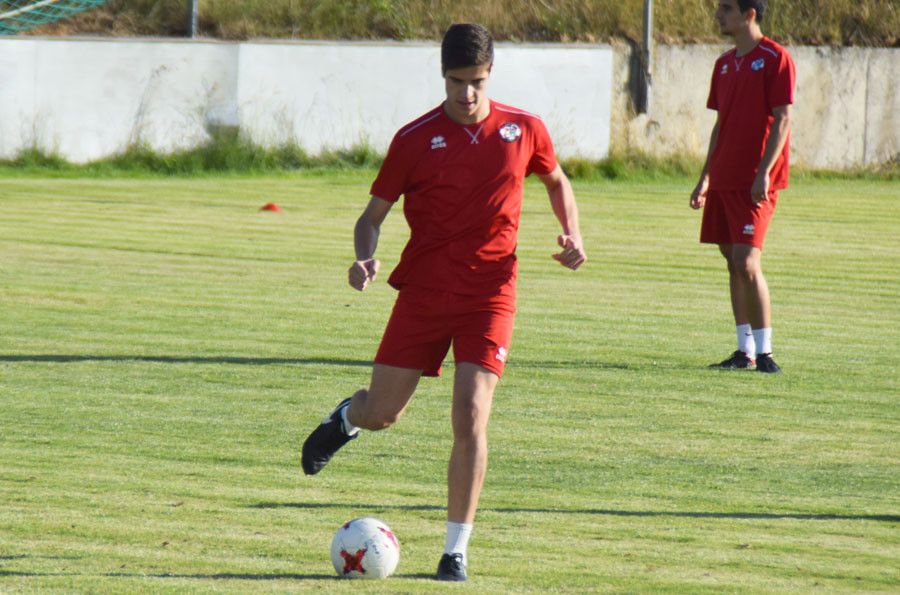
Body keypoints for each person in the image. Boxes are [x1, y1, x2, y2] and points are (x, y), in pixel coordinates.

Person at [300, 23, 586, 581]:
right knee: (384, 413)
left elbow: (557, 180)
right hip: (425, 292)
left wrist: (572, 233)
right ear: (443, 76)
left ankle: (455, 550)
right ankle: (347, 418)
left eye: (476, 81)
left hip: (490, 293)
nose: (466, 93)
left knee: (471, 414)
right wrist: (364, 258)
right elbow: (372, 217)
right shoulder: (413, 139)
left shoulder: (524, 128)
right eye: (457, 81)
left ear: (490, 75)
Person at [690, 0, 795, 373]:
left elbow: (783, 118)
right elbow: (721, 125)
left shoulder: (775, 58)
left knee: (747, 261)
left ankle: (766, 352)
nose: (718, 15)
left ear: (749, 14)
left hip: (755, 181)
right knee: (732, 263)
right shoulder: (724, 63)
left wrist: (764, 171)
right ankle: (743, 351)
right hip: (725, 177)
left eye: (726, 9)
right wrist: (705, 176)